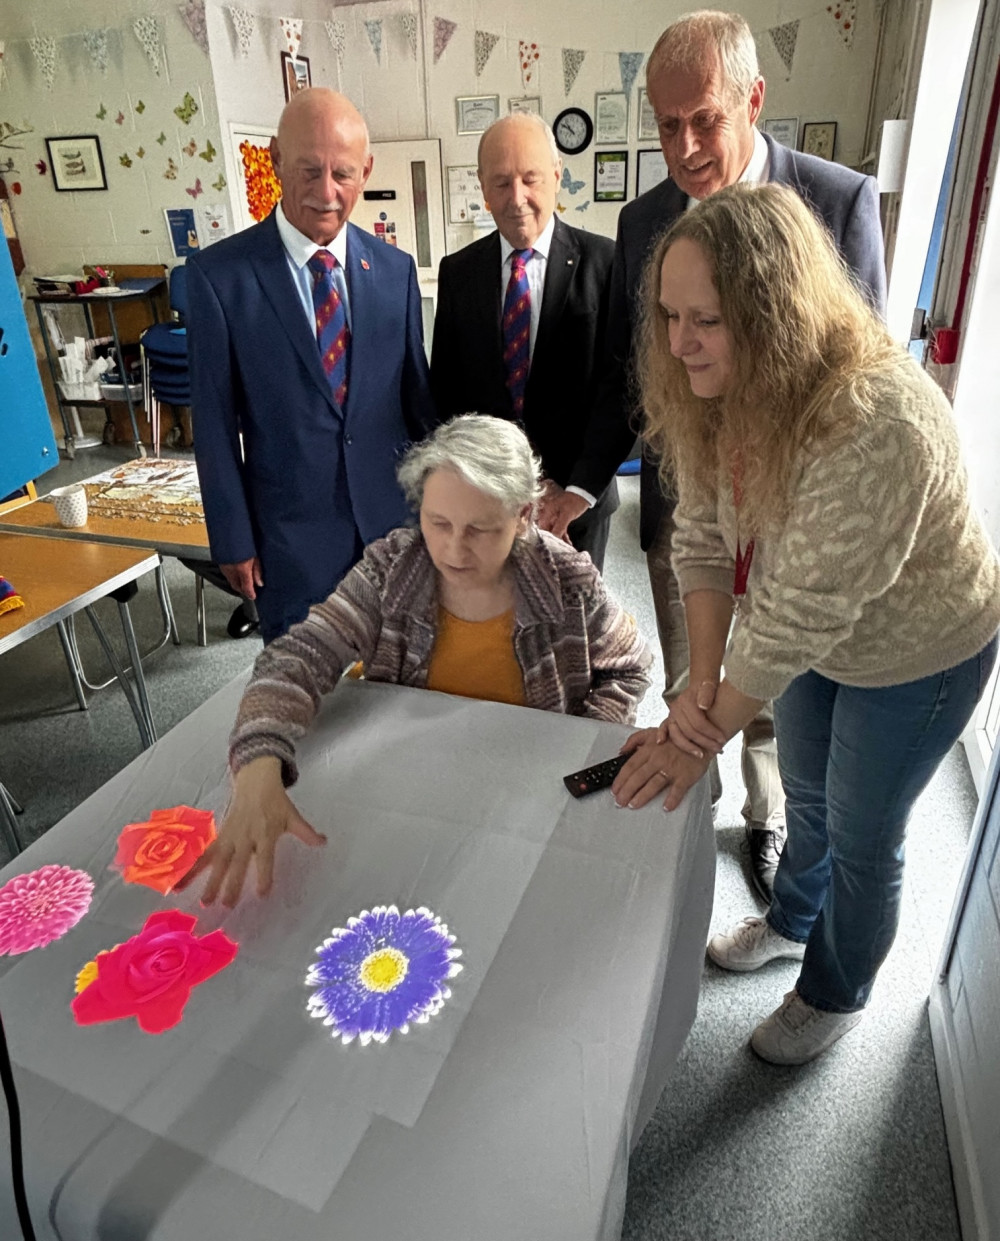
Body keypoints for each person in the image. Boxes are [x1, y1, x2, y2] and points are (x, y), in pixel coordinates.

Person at [610, 183, 1000, 1065]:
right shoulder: (720, 389)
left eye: (705, 319)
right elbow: (701, 540)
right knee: (809, 795)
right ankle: (791, 919)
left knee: (864, 833)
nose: (679, 343)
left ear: (773, 312)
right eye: (669, 315)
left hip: (918, 654)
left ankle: (836, 989)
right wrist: (701, 684)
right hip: (821, 636)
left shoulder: (876, 419)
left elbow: (792, 619)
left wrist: (695, 734)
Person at [566, 10, 887, 901]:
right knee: (692, 673)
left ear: (753, 98)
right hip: (693, 506)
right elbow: (635, 384)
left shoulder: (836, 201)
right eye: (667, 124)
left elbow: (862, 380)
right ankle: (684, 813)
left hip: (798, 516)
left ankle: (765, 817)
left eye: (704, 117)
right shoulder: (644, 223)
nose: (686, 143)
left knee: (784, 698)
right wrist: (581, 482)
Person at [177, 416, 652, 907]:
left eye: (480, 530)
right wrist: (258, 765)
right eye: (438, 522)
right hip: (405, 787)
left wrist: (582, 741)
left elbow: (631, 664)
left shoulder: (569, 582)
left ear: (525, 515)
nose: (451, 549)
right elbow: (301, 655)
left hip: (519, 797)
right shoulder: (391, 567)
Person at [186, 88, 436, 643]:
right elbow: (215, 426)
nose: (327, 194)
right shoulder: (219, 278)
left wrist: (443, 512)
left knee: (407, 677)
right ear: (275, 159)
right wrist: (232, 538)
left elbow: (418, 407)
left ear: (366, 170)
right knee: (312, 699)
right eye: (308, 171)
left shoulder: (394, 271)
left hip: (393, 530)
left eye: (343, 174)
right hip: (291, 542)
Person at [431, 114, 617, 570]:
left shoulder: (607, 262)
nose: (517, 199)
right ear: (482, 187)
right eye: (501, 182)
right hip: (488, 503)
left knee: (574, 632)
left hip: (577, 506)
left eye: (530, 179)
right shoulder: (458, 273)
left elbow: (619, 388)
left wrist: (574, 491)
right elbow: (447, 395)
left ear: (556, 174)